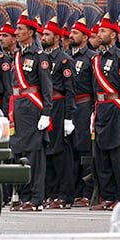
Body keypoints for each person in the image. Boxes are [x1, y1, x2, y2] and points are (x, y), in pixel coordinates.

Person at [8, 10, 52, 212]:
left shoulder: (40, 56)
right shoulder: (17, 55)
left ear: (31, 32)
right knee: (20, 153)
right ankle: (24, 196)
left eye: (20, 29)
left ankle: (36, 198)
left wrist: (46, 113)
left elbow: (46, 87)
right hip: (18, 109)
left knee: (34, 155)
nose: (16, 32)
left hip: (33, 109)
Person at [90, 14, 120, 211]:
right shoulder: (97, 58)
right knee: (102, 156)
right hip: (100, 109)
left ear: (113, 34)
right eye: (99, 30)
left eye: (103, 31)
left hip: (115, 109)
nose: (99, 34)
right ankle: (107, 196)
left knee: (117, 156)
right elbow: (93, 88)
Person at [41, 15, 76, 209]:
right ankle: (52, 192)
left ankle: (64, 195)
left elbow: (70, 91)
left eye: (47, 34)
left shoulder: (64, 60)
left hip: (60, 108)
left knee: (61, 153)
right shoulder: (43, 57)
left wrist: (69, 117)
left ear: (56, 37)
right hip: (47, 108)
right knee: (48, 152)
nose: (43, 37)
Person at [67, 11, 99, 207]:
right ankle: (74, 190)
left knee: (84, 148)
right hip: (68, 107)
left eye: (75, 33)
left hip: (84, 106)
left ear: (85, 37)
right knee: (70, 150)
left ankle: (86, 192)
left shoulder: (91, 57)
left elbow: (96, 86)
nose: (71, 35)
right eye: (70, 32)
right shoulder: (67, 56)